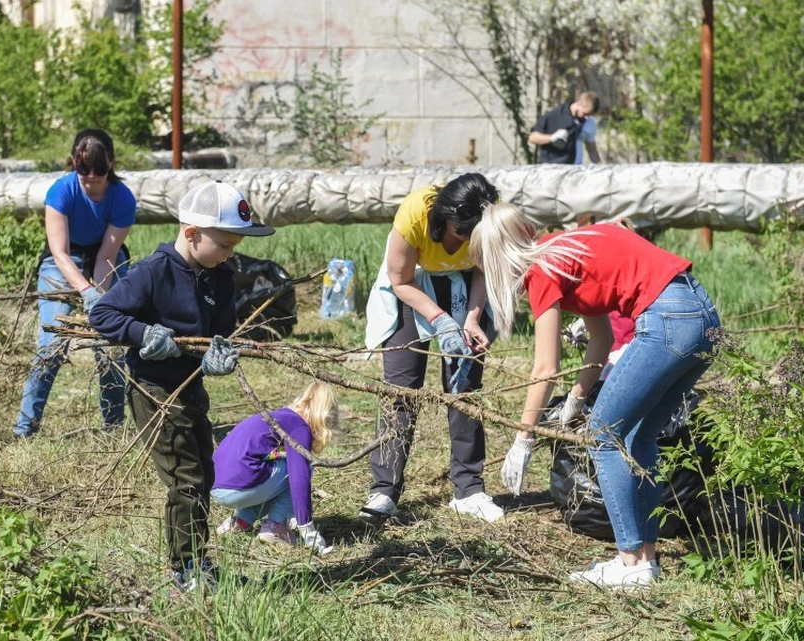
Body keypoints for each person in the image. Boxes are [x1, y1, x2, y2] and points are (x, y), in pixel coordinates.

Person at [470, 205, 720, 589]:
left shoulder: (543, 270)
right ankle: (644, 560)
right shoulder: (569, 250)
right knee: (639, 437)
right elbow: (601, 339)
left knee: (605, 436)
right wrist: (576, 398)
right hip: (700, 315)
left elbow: (544, 368)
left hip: (668, 318)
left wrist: (524, 437)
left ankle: (628, 561)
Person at [88, 181, 274, 592]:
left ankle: (197, 561)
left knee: (204, 474)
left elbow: (221, 332)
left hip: (191, 387)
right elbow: (102, 314)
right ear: (191, 233)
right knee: (185, 478)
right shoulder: (152, 271)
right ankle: (185, 570)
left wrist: (220, 354)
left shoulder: (221, 276)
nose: (231, 253)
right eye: (225, 244)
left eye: (234, 245)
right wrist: (141, 333)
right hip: (153, 388)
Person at [360, 173, 504, 524]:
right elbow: (400, 280)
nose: (468, 240)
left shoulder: (486, 220)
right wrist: (440, 320)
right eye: (462, 232)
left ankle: (469, 489)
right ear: (444, 217)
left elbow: (484, 271)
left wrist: (471, 319)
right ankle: (384, 490)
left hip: (467, 289)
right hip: (414, 287)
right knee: (401, 388)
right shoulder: (415, 215)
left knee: (464, 389)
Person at [15, 128, 136, 438]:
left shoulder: (122, 198)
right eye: (84, 173)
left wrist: (101, 299)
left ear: (111, 163)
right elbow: (59, 251)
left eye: (98, 173)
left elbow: (106, 255)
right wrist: (84, 291)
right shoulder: (61, 191)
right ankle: (24, 429)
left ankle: (113, 428)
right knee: (51, 344)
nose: (91, 180)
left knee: (110, 343)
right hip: (61, 262)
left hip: (105, 260)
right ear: (73, 163)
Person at [211, 381, 338, 555]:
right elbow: (299, 479)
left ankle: (241, 521)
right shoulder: (299, 426)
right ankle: (276, 527)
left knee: (273, 473)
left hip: (215, 486)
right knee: (302, 468)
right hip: (238, 488)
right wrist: (308, 530)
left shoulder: (278, 417)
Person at [528, 92, 599, 164]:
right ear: (578, 104)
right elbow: (533, 137)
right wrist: (552, 138)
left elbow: (592, 149)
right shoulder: (554, 115)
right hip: (551, 169)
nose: (587, 117)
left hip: (576, 170)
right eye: (585, 114)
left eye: (590, 114)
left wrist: (599, 167)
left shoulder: (589, 122)